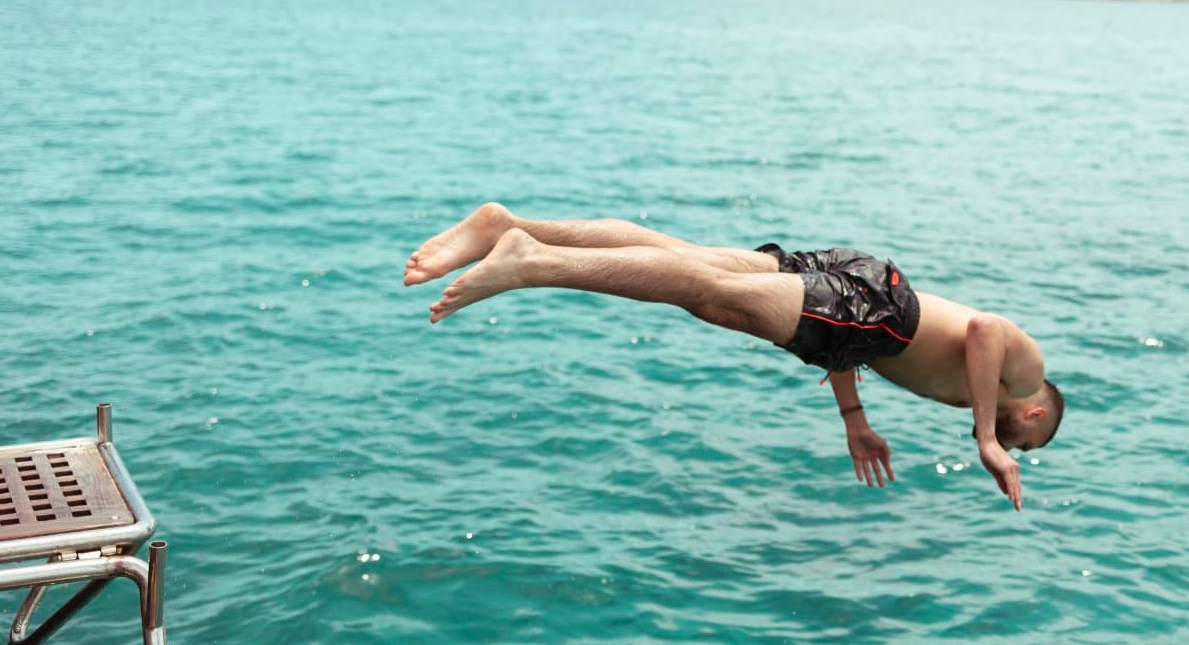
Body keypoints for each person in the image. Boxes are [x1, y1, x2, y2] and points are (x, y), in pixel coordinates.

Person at [404, 203, 1063, 511]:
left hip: (865, 307)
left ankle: (508, 227)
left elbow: (850, 339)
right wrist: (987, 438)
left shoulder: (976, 386)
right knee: (711, 294)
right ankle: (533, 261)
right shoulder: (1022, 378)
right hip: (879, 307)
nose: (1018, 449)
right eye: (1027, 443)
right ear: (1036, 414)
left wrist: (853, 419)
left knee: (686, 258)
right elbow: (984, 328)